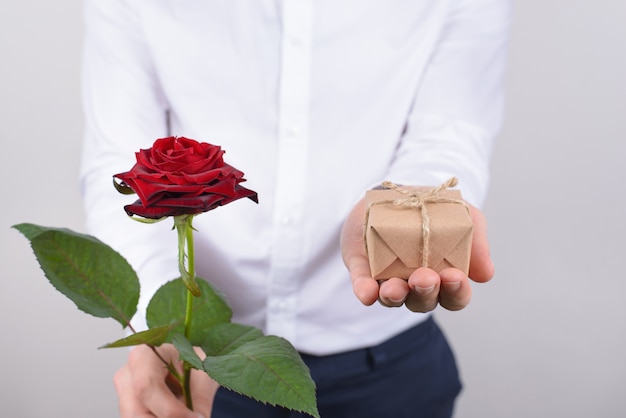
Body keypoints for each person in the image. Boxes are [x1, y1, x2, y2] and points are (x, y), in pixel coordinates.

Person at [79, 1, 511, 417]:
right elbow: (119, 160)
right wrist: (162, 331)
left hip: (387, 365)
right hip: (205, 363)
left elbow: (452, 128)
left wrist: (409, 210)